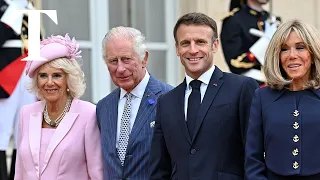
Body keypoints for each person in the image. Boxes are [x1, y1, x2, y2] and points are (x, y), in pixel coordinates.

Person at [149, 12, 259, 179]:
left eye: (200, 42)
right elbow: (160, 168)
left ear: (214, 45)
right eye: (185, 43)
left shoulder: (242, 88)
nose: (193, 50)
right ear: (177, 49)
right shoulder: (166, 101)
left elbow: (254, 157)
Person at [14, 34, 103, 180]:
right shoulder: (26, 113)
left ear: (68, 79)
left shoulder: (88, 114)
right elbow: (19, 173)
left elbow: (97, 173)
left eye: (56, 75)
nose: (49, 83)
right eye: (43, 76)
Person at [245, 19, 320, 179]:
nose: (292, 55)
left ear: (313, 53)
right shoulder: (262, 97)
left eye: (300, 47)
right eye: (284, 49)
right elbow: (253, 159)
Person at [96, 26, 172, 180]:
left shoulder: (170, 98)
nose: (120, 69)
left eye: (126, 59)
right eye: (113, 61)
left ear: (144, 58)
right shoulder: (103, 107)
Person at [0, 0, 37, 179]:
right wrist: (13, 13)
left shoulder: (30, 8)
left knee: (25, 133)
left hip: (28, 75)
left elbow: (37, 46)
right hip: (5, 75)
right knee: (1, 131)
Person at [221, 0, 279, 85]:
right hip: (250, 84)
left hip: (275, 83)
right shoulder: (234, 20)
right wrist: (264, 45)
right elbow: (235, 63)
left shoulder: (270, 18)